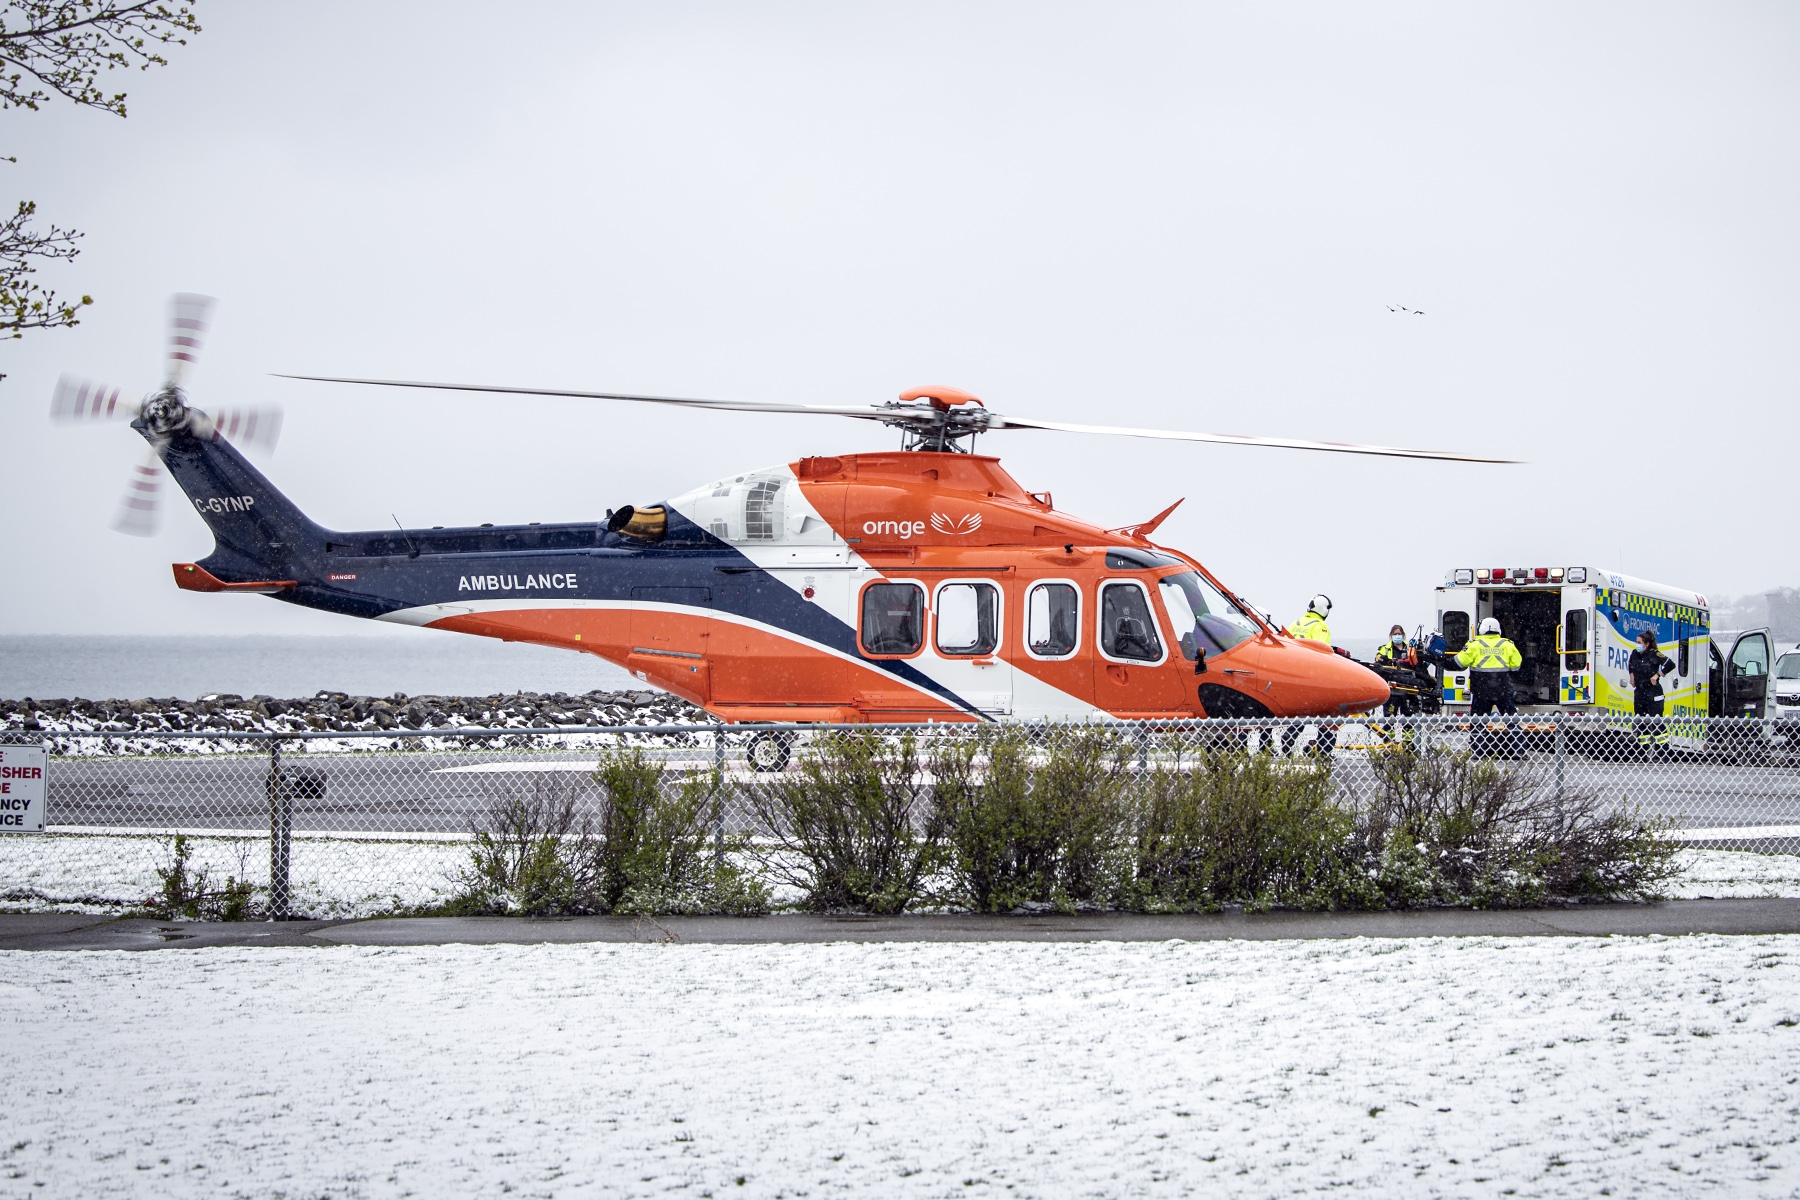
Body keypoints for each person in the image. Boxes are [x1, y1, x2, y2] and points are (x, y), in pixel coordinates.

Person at [1280, 595, 1336, 755]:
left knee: (1302, 710)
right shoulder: (1320, 626)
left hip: (1292, 674)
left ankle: (1289, 736)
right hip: (1311, 676)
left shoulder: (1296, 622)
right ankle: (1324, 750)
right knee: (1327, 712)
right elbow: (1321, 654)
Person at [1457, 616, 1521, 755]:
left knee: (1478, 722)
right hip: (1503, 691)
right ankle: (1518, 750)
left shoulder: (1474, 645)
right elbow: (1516, 666)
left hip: (1481, 692)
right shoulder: (1507, 644)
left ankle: (1479, 751)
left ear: (1481, 629)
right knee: (1512, 720)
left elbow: (1458, 663)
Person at [1627, 630, 1677, 760]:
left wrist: (1658, 675)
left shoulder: (1655, 654)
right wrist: (1632, 677)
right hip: (1640, 692)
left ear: (1647, 644)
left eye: (1639, 642)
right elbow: (1631, 665)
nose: (1637, 644)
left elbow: (1670, 664)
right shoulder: (1635, 654)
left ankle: (1662, 753)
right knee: (1641, 722)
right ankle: (1642, 753)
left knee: (1656, 722)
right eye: (1636, 642)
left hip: (1653, 692)